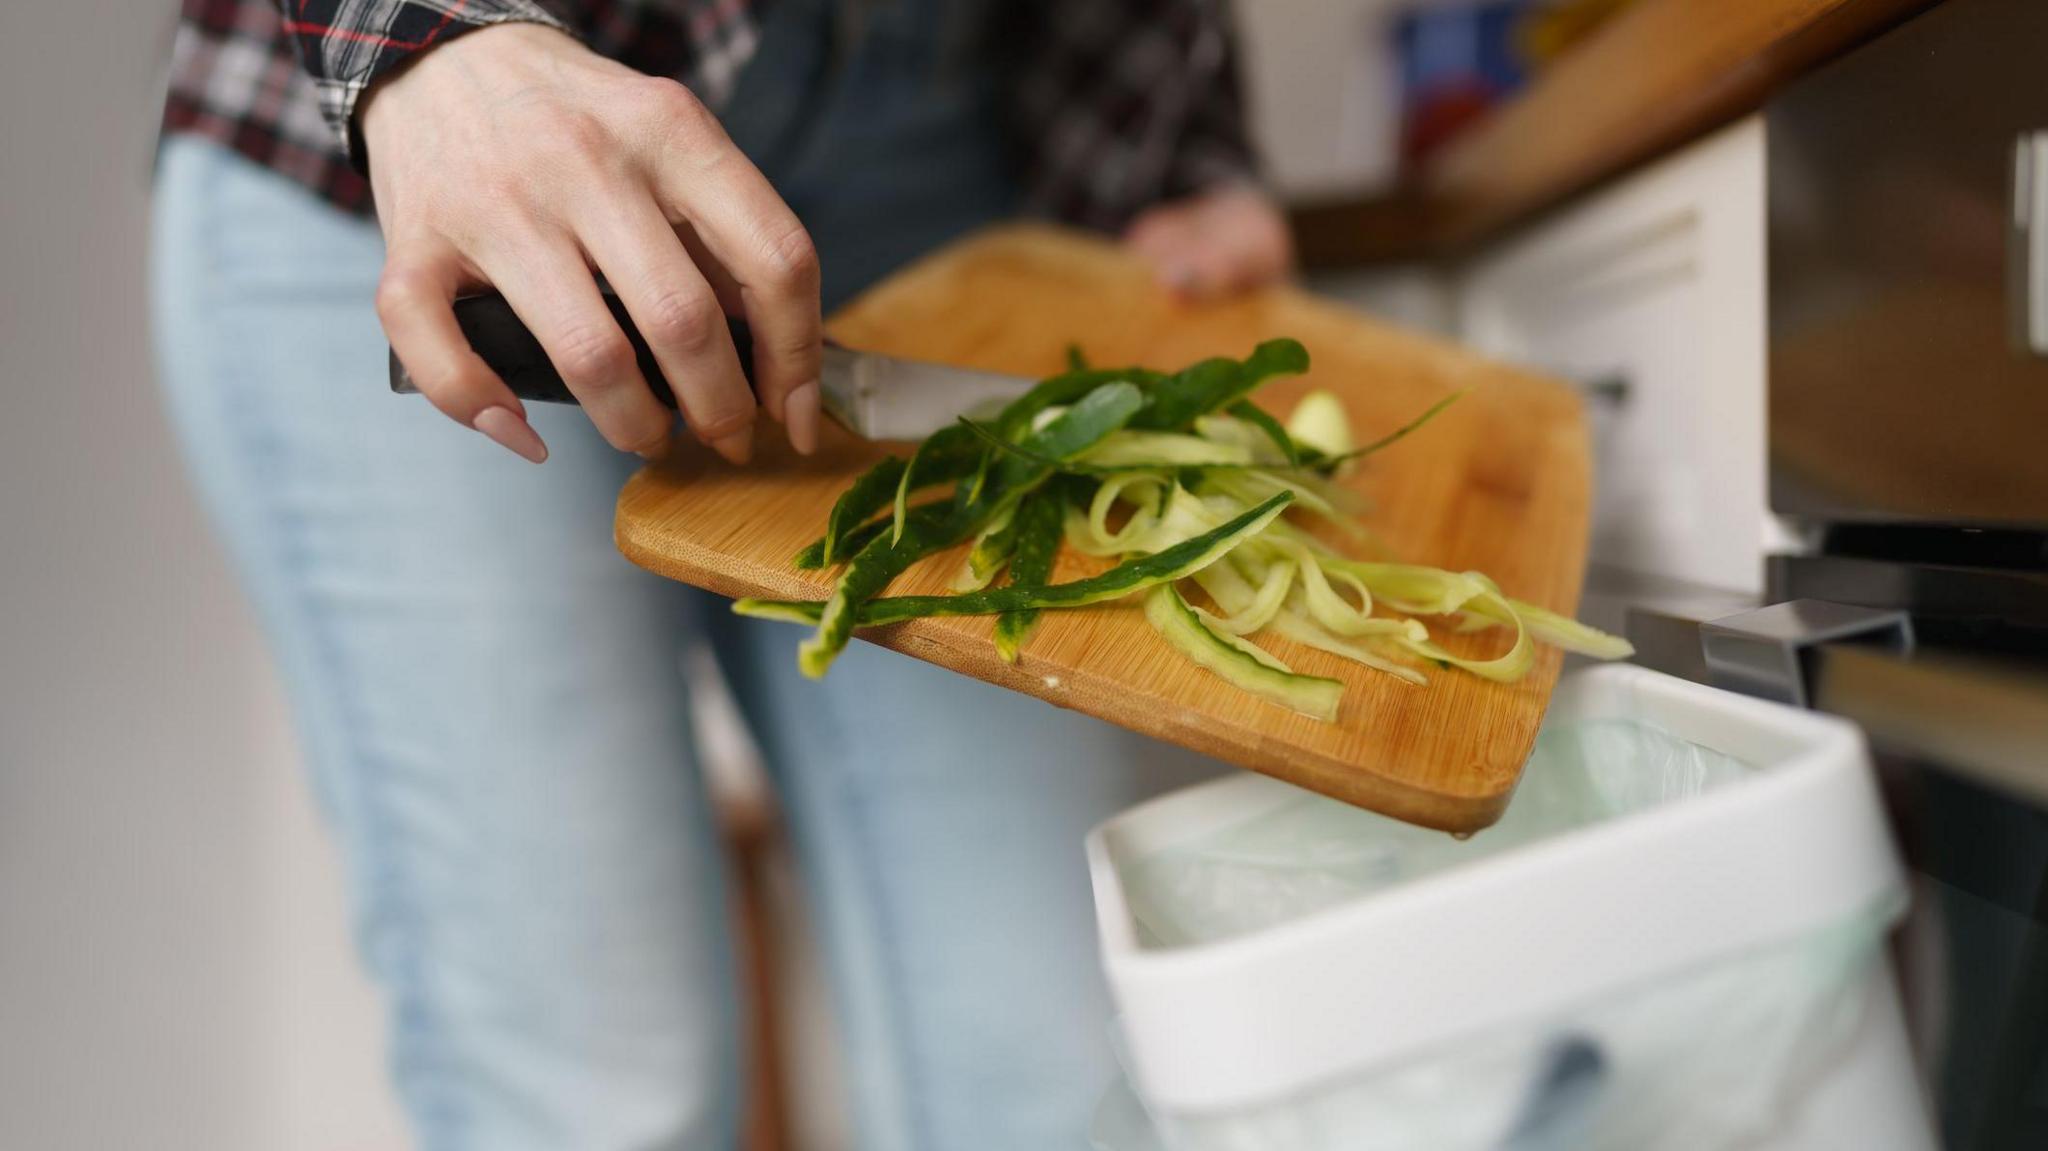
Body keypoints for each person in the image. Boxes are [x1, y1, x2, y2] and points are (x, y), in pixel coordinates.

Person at [153, 1, 1291, 1147]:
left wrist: (1164, 140)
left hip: (928, 153)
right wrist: (427, 36)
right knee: (599, 1097)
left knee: (1057, 1079)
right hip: (428, 165)